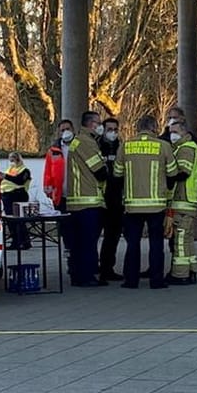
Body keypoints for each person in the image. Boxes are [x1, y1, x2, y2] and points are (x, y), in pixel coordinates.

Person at [114, 115, 175, 289]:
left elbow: (117, 174)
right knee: (156, 244)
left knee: (132, 243)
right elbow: (172, 173)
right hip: (156, 205)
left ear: (137, 128)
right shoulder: (163, 146)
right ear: (155, 128)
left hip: (132, 206)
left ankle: (131, 281)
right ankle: (157, 280)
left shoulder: (125, 146)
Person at [63, 111, 110, 288]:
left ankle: (77, 274)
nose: (101, 126)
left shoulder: (78, 141)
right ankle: (87, 276)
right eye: (98, 123)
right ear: (91, 124)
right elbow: (100, 170)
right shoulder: (86, 142)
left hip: (76, 201)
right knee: (88, 242)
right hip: (88, 201)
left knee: (77, 243)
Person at [166, 118, 197, 286]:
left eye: (175, 132)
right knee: (187, 239)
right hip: (189, 200)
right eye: (170, 132)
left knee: (179, 238)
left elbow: (183, 172)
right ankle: (191, 269)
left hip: (182, 200)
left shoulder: (185, 148)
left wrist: (167, 176)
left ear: (184, 132)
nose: (171, 136)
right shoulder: (187, 146)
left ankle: (180, 274)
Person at [98, 117, 125, 281]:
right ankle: (92, 266)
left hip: (115, 197)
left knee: (112, 235)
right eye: (109, 129)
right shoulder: (96, 146)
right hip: (99, 197)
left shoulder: (120, 147)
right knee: (93, 236)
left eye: (115, 129)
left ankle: (107, 268)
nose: (113, 133)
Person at [0, 151, 33, 250]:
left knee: (19, 221)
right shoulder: (10, 169)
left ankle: (24, 242)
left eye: (13, 159)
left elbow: (20, 180)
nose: (11, 162)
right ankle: (16, 242)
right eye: (10, 160)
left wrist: (5, 176)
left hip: (18, 195)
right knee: (11, 221)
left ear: (18, 159)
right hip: (7, 196)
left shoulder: (25, 170)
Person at [43, 119, 74, 209]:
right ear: (59, 133)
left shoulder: (80, 146)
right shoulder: (53, 150)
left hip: (77, 196)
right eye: (63, 130)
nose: (66, 132)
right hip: (60, 195)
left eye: (68, 129)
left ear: (73, 130)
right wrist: (47, 188)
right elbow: (48, 171)